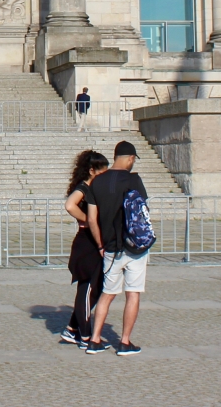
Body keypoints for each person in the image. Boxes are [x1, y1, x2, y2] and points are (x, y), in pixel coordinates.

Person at [85, 141, 149, 356]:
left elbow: (92, 219)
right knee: (133, 294)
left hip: (110, 248)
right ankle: (124, 342)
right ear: (130, 158)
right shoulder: (134, 179)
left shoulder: (97, 182)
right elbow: (142, 212)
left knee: (107, 294)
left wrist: (100, 244)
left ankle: (94, 340)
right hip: (134, 247)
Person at [62, 150, 109, 347]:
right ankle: (86, 336)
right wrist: (89, 221)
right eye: (102, 172)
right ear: (91, 171)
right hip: (86, 243)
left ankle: (72, 329)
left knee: (94, 288)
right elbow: (69, 205)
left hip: (89, 242)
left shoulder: (93, 187)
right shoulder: (85, 187)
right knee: (88, 288)